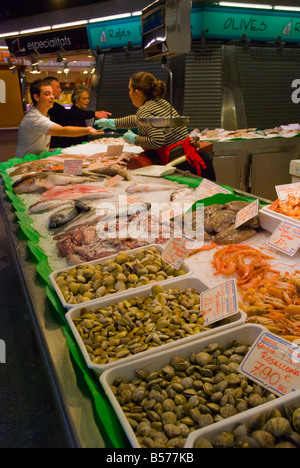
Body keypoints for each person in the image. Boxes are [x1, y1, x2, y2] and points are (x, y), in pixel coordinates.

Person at [95, 71, 215, 180]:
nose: (129, 93)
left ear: (137, 93)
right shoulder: (160, 102)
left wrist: (134, 139)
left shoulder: (145, 110)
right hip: (193, 156)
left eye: (129, 90)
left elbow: (156, 141)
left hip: (183, 165)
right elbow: (138, 120)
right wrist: (114, 123)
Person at [15, 79, 103, 158]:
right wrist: (87, 130)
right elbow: (62, 131)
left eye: (52, 93)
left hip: (36, 158)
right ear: (36, 97)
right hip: (24, 160)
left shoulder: (44, 114)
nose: (52, 96)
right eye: (47, 94)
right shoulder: (34, 118)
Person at [45, 77, 111, 148]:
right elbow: (69, 116)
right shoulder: (55, 108)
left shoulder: (56, 107)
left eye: (88, 98)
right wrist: (94, 114)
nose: (60, 90)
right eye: (84, 98)